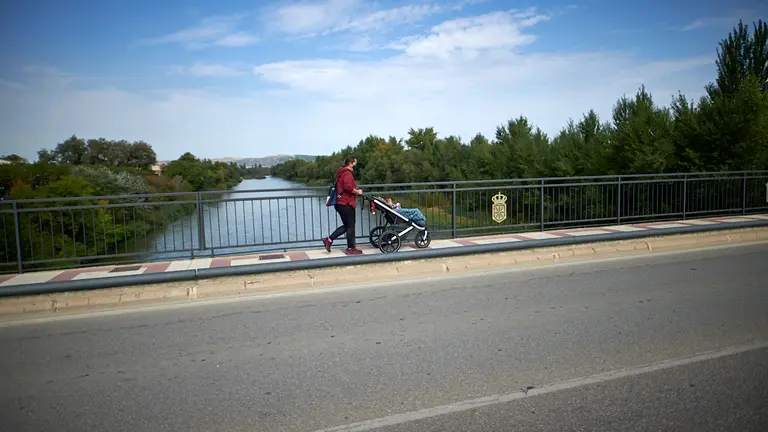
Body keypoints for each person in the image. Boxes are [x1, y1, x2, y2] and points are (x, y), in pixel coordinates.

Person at [323, 156, 363, 255]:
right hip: (345, 203)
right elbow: (348, 187)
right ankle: (350, 248)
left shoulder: (342, 173)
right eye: (354, 164)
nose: (355, 166)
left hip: (340, 203)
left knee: (347, 226)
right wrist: (357, 191)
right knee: (350, 226)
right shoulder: (347, 173)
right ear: (350, 163)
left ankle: (329, 240)